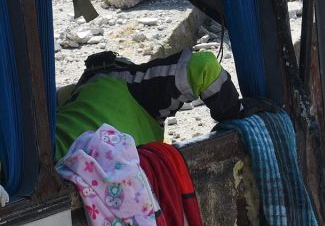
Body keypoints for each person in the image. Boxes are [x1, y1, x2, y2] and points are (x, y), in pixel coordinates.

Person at [55, 49, 241, 157]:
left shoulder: (69, 102)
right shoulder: (135, 85)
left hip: (39, 166)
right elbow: (204, 65)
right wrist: (235, 115)